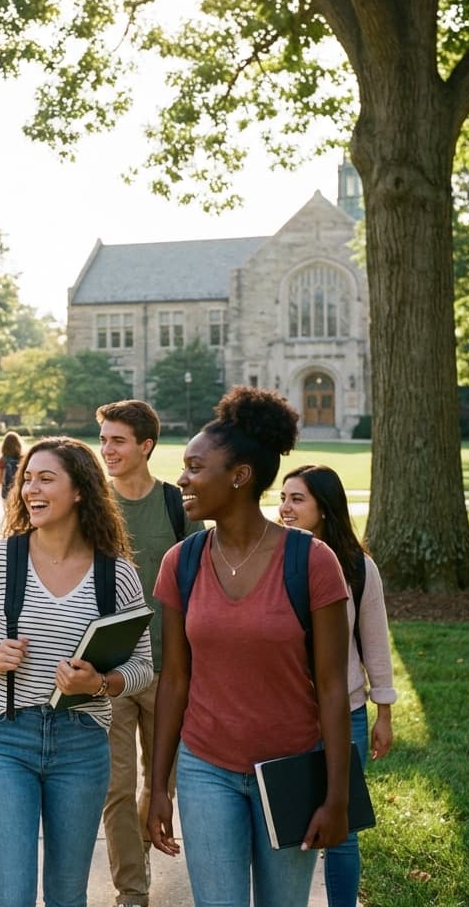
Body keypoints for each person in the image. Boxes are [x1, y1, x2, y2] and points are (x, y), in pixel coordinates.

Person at [148, 387, 351, 907]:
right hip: (206, 767)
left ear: (239, 475)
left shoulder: (312, 561)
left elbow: (332, 687)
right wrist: (157, 787)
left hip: (290, 770)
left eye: (195, 466)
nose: (182, 478)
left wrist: (337, 796)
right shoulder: (182, 562)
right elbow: (174, 679)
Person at [0, 437, 154, 907]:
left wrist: (99, 684)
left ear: (80, 490)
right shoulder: (0, 561)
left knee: (67, 896)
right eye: (27, 479)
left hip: (82, 744)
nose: (29, 489)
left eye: (46, 479)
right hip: (8, 741)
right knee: (13, 896)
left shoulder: (116, 574)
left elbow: (141, 667)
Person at [96, 399, 204, 907]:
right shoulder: (92, 504)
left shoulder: (176, 506)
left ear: (146, 446)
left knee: (159, 783)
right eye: (103, 440)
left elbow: (202, 586)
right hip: (110, 673)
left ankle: (136, 854)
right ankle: (132, 892)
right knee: (116, 788)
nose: (108, 449)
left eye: (118, 440)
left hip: (170, 672)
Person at [279, 464, 397, 907]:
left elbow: (375, 643)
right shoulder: (274, 559)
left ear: (324, 508)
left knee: (342, 834)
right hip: (285, 718)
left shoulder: (357, 567)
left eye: (297, 499)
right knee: (289, 829)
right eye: (284, 497)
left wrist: (383, 712)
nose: (285, 508)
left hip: (346, 717)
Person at [0, 430, 24, 506]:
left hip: (6, 492)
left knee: (7, 513)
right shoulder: (23, 459)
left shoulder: (3, 460)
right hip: (19, 491)